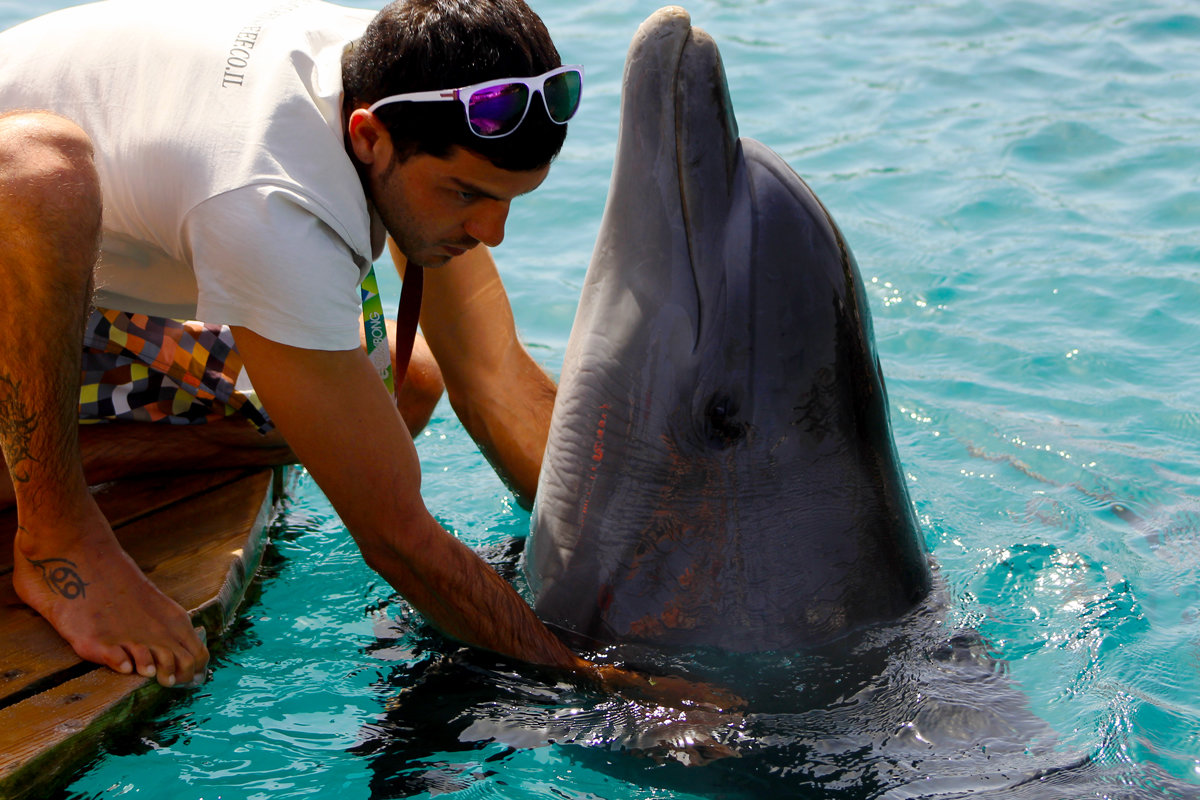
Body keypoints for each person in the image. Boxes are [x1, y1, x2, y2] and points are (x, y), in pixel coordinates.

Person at [0, 0, 737, 709]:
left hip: (81, 286)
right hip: (24, 227)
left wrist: (633, 563)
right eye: (465, 194)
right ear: (368, 138)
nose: (492, 231)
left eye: (511, 200)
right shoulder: (271, 201)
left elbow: (494, 379)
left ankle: (55, 455)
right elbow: (396, 537)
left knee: (399, 386)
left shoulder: (408, 73)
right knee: (40, 177)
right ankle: (56, 534)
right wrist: (600, 686)